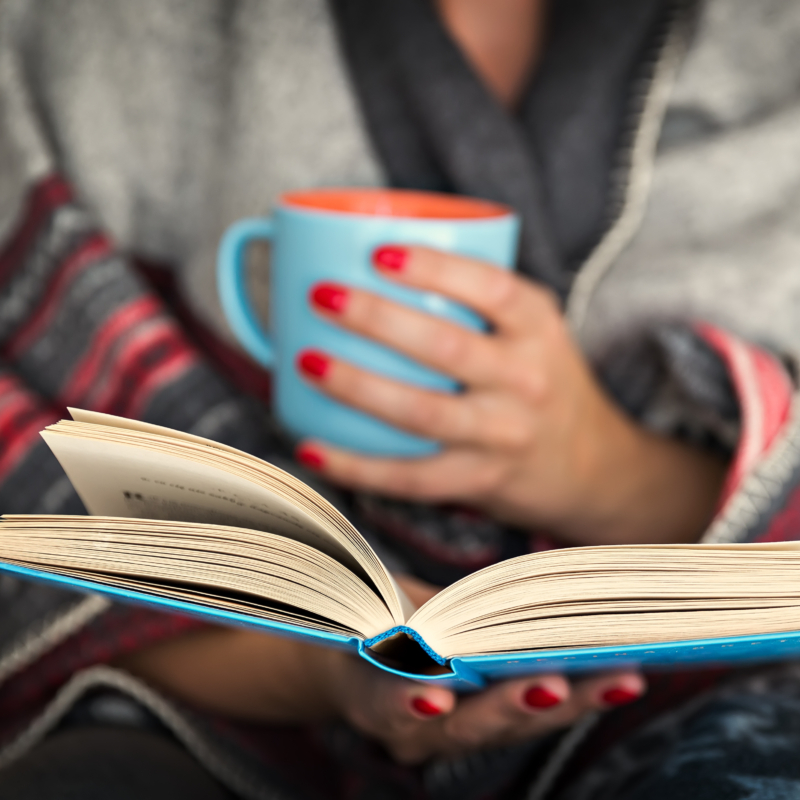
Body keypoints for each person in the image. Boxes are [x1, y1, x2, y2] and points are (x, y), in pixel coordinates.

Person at [0, 0, 799, 797]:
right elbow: (29, 495)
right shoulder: (86, 35)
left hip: (708, 706)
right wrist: (311, 659)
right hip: (200, 717)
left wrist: (607, 472)